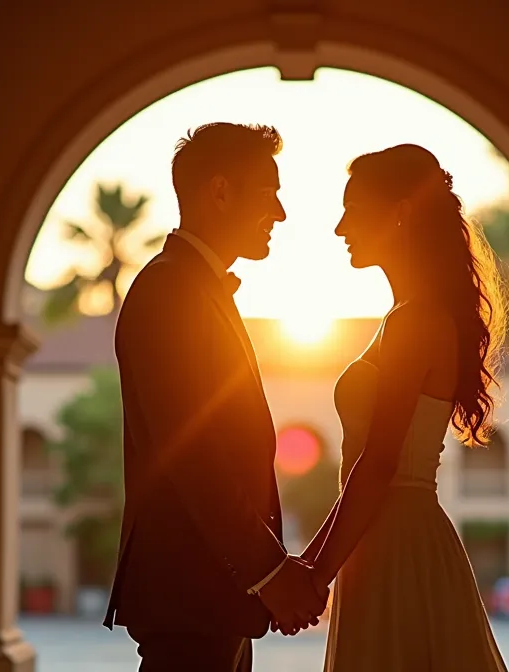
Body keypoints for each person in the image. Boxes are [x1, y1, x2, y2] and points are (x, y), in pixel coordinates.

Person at [106, 122, 328, 672]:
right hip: (190, 594)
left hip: (214, 597)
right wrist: (270, 573)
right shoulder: (170, 291)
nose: (280, 213)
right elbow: (193, 454)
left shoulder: (195, 288)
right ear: (221, 191)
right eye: (269, 193)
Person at [299, 144, 509, 671]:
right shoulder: (406, 316)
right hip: (382, 538)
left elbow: (378, 462)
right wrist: (312, 565)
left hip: (396, 546)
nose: (340, 228)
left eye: (352, 210)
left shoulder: (414, 322)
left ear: (400, 212)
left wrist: (315, 575)